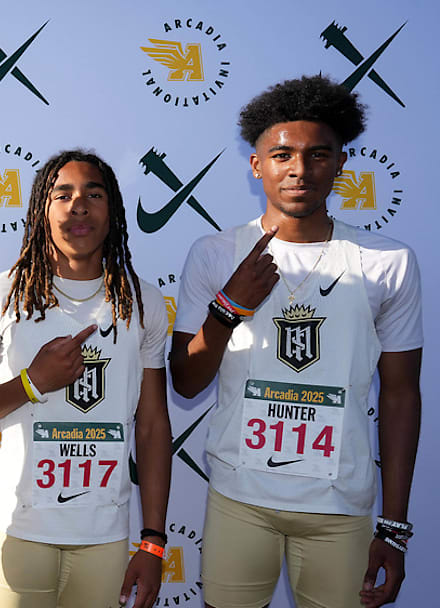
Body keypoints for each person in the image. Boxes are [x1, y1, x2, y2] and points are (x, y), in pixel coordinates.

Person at [169, 75, 422, 608]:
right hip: (240, 501)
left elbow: (400, 395)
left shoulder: (387, 262)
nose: (300, 171)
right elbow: (186, 380)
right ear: (257, 163)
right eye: (282, 154)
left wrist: (394, 527)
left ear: (340, 163)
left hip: (341, 508)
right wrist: (228, 308)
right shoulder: (215, 253)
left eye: (318, 155)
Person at [0, 150, 172, 608]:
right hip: (22, 532)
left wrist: (153, 541)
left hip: (105, 539)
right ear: (41, 210)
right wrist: (30, 384)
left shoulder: (143, 303)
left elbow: (152, 426)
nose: (79, 206)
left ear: (112, 211)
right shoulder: (0, 294)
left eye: (93, 194)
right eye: (64, 195)